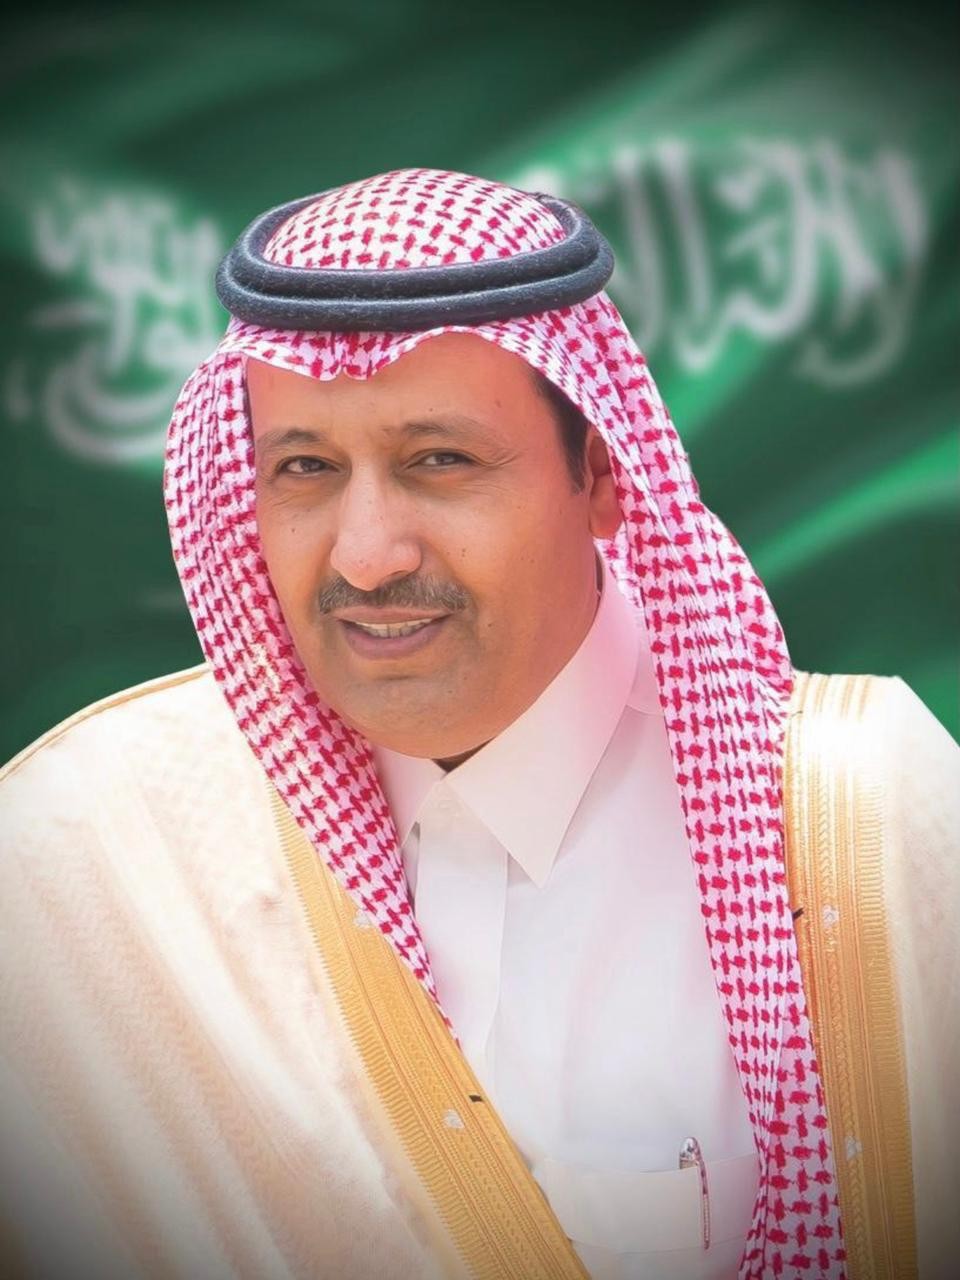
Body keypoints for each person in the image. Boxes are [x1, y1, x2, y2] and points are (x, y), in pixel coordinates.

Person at [1, 168, 956, 1280]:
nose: (368, 555)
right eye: (304, 468)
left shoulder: (864, 821)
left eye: (439, 460)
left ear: (601, 474)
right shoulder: (86, 854)